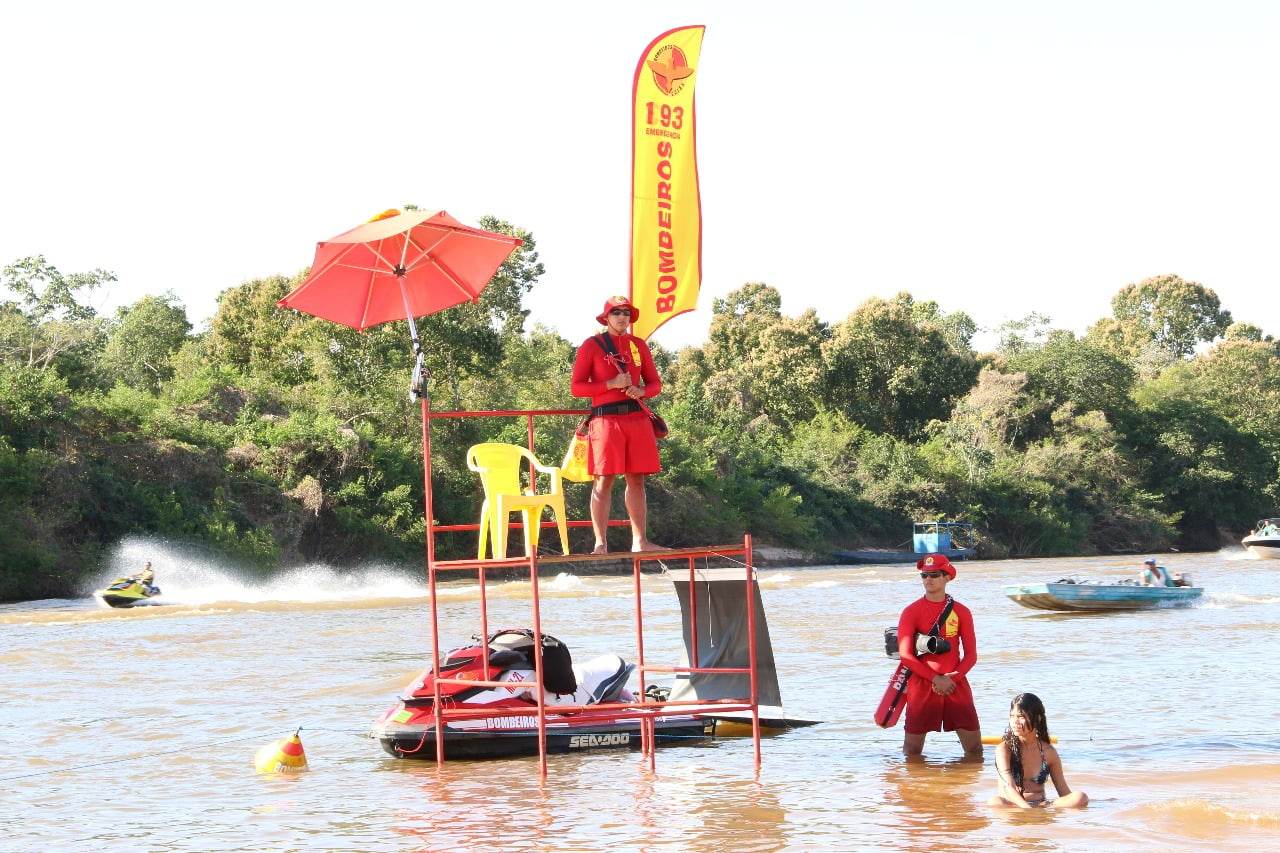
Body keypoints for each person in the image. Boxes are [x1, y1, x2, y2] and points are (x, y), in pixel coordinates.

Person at [570, 295, 664, 554]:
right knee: (604, 480)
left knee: (637, 479)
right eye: (616, 312)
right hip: (605, 419)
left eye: (626, 312)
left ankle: (640, 541)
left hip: (637, 418)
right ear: (606, 317)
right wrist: (610, 384)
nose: (622, 317)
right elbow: (576, 388)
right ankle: (600, 543)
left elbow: (655, 383)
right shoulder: (592, 345)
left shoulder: (638, 345)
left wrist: (641, 391)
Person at [896, 553, 982, 759]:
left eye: (934, 575)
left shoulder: (962, 612)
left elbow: (971, 655)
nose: (928, 580)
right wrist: (936, 679)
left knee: (974, 751)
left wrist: (953, 679)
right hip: (922, 684)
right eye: (924, 576)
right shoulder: (911, 612)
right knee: (912, 753)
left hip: (955, 684)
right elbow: (906, 655)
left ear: (947, 577)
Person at [987, 692, 1089, 808]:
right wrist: (1027, 809)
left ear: (1038, 718)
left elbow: (1063, 792)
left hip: (1042, 805)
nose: (1015, 721)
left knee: (1080, 797)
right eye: (1012, 716)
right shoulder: (1004, 749)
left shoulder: (1048, 752)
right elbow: (1008, 786)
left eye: (1021, 717)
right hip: (1014, 806)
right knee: (995, 802)